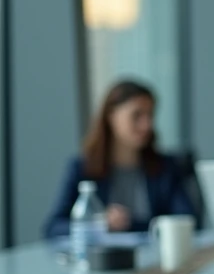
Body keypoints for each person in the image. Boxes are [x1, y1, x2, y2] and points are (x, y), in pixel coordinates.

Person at [44, 80, 196, 238]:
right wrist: (98, 224)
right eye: (136, 115)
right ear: (111, 116)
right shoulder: (82, 167)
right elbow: (53, 227)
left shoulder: (165, 167)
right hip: (102, 260)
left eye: (150, 115)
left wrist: (128, 224)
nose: (147, 125)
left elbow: (187, 221)